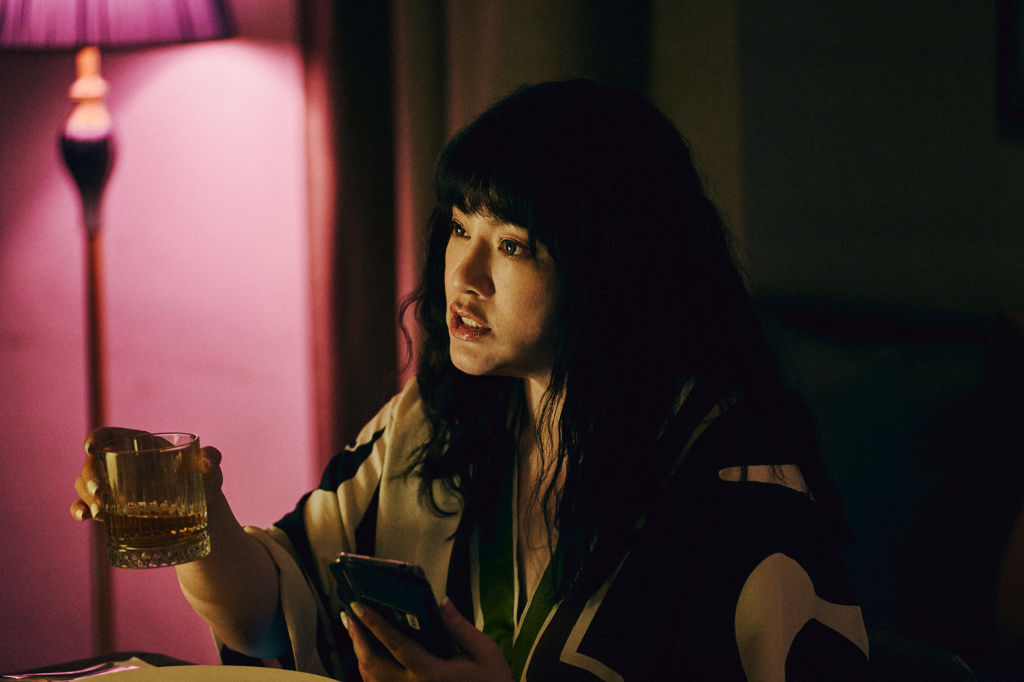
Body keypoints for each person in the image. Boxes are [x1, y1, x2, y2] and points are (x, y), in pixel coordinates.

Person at [73, 79, 870, 681]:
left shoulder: (736, 479)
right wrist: (194, 512)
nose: (464, 275)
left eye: (513, 245)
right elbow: (277, 618)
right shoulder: (437, 421)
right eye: (459, 228)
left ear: (611, 267)